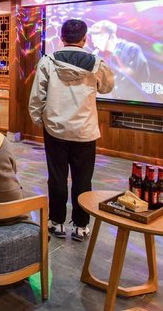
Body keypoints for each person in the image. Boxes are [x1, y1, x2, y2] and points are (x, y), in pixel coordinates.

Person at [29, 19, 114, 242]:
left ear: (61, 38)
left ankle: (56, 222)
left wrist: (40, 120)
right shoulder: (97, 63)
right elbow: (107, 87)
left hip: (55, 129)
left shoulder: (48, 61)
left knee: (57, 178)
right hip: (85, 130)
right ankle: (81, 226)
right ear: (85, 39)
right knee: (83, 180)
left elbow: (37, 96)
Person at [89, 20, 150, 96]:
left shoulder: (132, 49)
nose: (94, 45)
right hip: (104, 100)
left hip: (132, 101)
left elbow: (130, 76)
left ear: (106, 36)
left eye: (95, 40)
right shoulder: (96, 54)